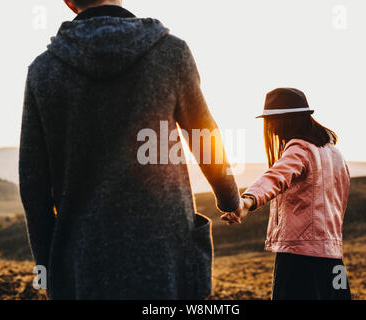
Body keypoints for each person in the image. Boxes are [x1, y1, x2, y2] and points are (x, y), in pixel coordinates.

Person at [19, 0, 242, 299]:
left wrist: (46, 269)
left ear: (69, 2)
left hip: (83, 262)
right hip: (165, 254)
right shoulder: (171, 52)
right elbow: (203, 136)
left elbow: (33, 185)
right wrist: (229, 198)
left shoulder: (43, 70)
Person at [222, 88, 352, 300]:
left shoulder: (299, 149)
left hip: (298, 257)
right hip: (333, 257)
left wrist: (248, 201)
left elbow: (275, 177)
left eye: (273, 121)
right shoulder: (336, 154)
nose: (271, 129)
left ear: (288, 120)